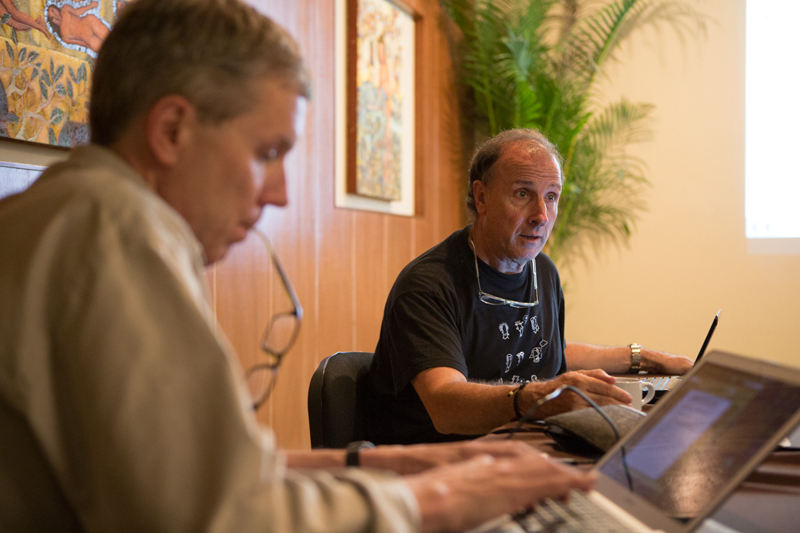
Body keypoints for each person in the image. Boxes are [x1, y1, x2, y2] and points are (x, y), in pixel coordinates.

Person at [0, 1, 595, 531]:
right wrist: (432, 501)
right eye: (267, 153)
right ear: (172, 129)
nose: (281, 193)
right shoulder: (117, 237)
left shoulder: (67, 216)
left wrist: (392, 462)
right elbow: (218, 517)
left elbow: (199, 474)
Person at [366, 129, 694, 445]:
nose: (541, 215)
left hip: (522, 448)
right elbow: (445, 406)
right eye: (523, 194)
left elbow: (549, 351)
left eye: (551, 197)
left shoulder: (544, 273)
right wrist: (535, 398)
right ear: (482, 197)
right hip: (433, 466)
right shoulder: (429, 286)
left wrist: (646, 360)